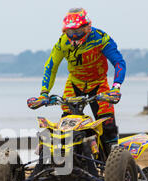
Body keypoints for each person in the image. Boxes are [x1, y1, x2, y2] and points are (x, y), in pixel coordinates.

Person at [28, 7, 126, 156]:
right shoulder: (63, 42)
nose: (73, 36)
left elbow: (119, 62)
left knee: (107, 124)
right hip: (74, 83)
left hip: (99, 84)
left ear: (88, 27)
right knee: (65, 123)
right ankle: (59, 160)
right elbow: (51, 67)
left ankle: (115, 160)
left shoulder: (101, 38)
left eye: (77, 32)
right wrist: (43, 94)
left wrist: (116, 87)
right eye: (70, 32)